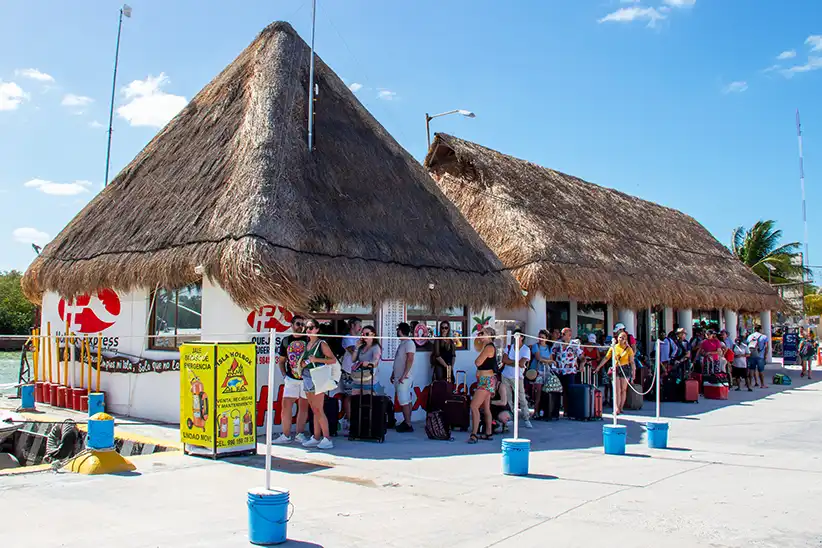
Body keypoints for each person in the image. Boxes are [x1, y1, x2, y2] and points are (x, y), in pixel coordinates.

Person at [300, 320, 338, 450]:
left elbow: (333, 360)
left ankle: (327, 438)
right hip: (307, 375)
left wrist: (316, 360)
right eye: (306, 328)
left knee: (318, 409)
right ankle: (316, 437)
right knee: (313, 409)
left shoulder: (321, 344)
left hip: (317, 376)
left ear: (317, 329)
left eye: (310, 328)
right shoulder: (307, 344)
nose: (308, 330)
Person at [272, 315, 310, 445]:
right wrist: (284, 375)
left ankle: (300, 434)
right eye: (298, 324)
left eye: (303, 324)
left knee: (303, 407)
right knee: (286, 406)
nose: (301, 327)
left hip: (306, 378)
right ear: (292, 325)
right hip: (291, 378)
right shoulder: (286, 341)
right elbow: (281, 360)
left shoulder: (309, 339)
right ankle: (286, 434)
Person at [469, 327, 498, 443]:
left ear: (490, 335)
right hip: (487, 379)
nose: (480, 335)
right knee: (486, 408)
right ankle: (488, 432)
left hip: (486, 380)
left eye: (483, 333)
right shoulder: (487, 347)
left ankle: (474, 434)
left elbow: (478, 362)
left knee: (474, 406)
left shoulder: (489, 347)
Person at [595, 331, 636, 415]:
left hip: (625, 368)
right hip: (616, 368)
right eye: (620, 337)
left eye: (623, 338)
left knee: (623, 390)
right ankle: (616, 408)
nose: (621, 339)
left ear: (626, 340)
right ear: (617, 338)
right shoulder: (614, 347)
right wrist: (598, 367)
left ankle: (621, 407)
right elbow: (606, 358)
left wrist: (633, 373)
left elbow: (632, 362)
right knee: (617, 389)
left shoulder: (629, 349)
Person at [500, 329, 533, 428]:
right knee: (508, 398)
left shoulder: (526, 349)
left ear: (522, 337)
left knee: (521, 398)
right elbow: (504, 360)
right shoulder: (509, 347)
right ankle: (511, 417)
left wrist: (512, 362)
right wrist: (516, 362)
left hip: (518, 376)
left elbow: (522, 363)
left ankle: (526, 417)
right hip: (506, 375)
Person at [548, 327, 583, 413]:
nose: (561, 335)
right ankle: (555, 411)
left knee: (569, 391)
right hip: (559, 370)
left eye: (564, 334)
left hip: (570, 371)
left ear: (569, 335)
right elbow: (552, 353)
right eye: (561, 333)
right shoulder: (557, 343)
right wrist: (553, 362)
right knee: (557, 390)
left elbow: (582, 357)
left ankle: (568, 411)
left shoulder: (574, 344)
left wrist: (581, 364)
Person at [391, 322, 416, 433]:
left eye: (398, 330)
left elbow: (410, 359)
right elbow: (399, 360)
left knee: (403, 400)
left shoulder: (409, 343)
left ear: (400, 331)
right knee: (407, 399)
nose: (397, 332)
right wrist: (393, 373)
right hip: (399, 376)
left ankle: (408, 423)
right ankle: (407, 421)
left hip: (404, 378)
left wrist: (404, 375)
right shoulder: (403, 343)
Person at [339, 317, 362, 432]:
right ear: (352, 325)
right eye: (359, 325)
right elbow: (353, 351)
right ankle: (349, 419)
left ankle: (356, 419)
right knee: (349, 396)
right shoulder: (347, 338)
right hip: (348, 370)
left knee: (357, 396)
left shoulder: (360, 338)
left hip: (359, 371)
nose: (360, 328)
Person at [528, 329, 552, 417]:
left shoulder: (549, 348)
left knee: (546, 392)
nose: (540, 339)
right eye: (539, 337)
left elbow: (551, 359)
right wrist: (548, 361)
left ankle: (545, 411)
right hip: (537, 371)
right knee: (537, 393)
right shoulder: (535, 346)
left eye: (543, 337)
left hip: (546, 371)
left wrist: (548, 361)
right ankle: (536, 412)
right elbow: (539, 358)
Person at [351, 326, 381, 395]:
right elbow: (353, 359)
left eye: (367, 334)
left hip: (369, 379)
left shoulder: (376, 347)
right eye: (362, 334)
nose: (364, 336)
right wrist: (357, 347)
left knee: (368, 400)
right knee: (355, 399)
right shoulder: (361, 347)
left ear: (373, 335)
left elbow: (375, 361)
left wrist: (368, 363)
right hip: (358, 378)